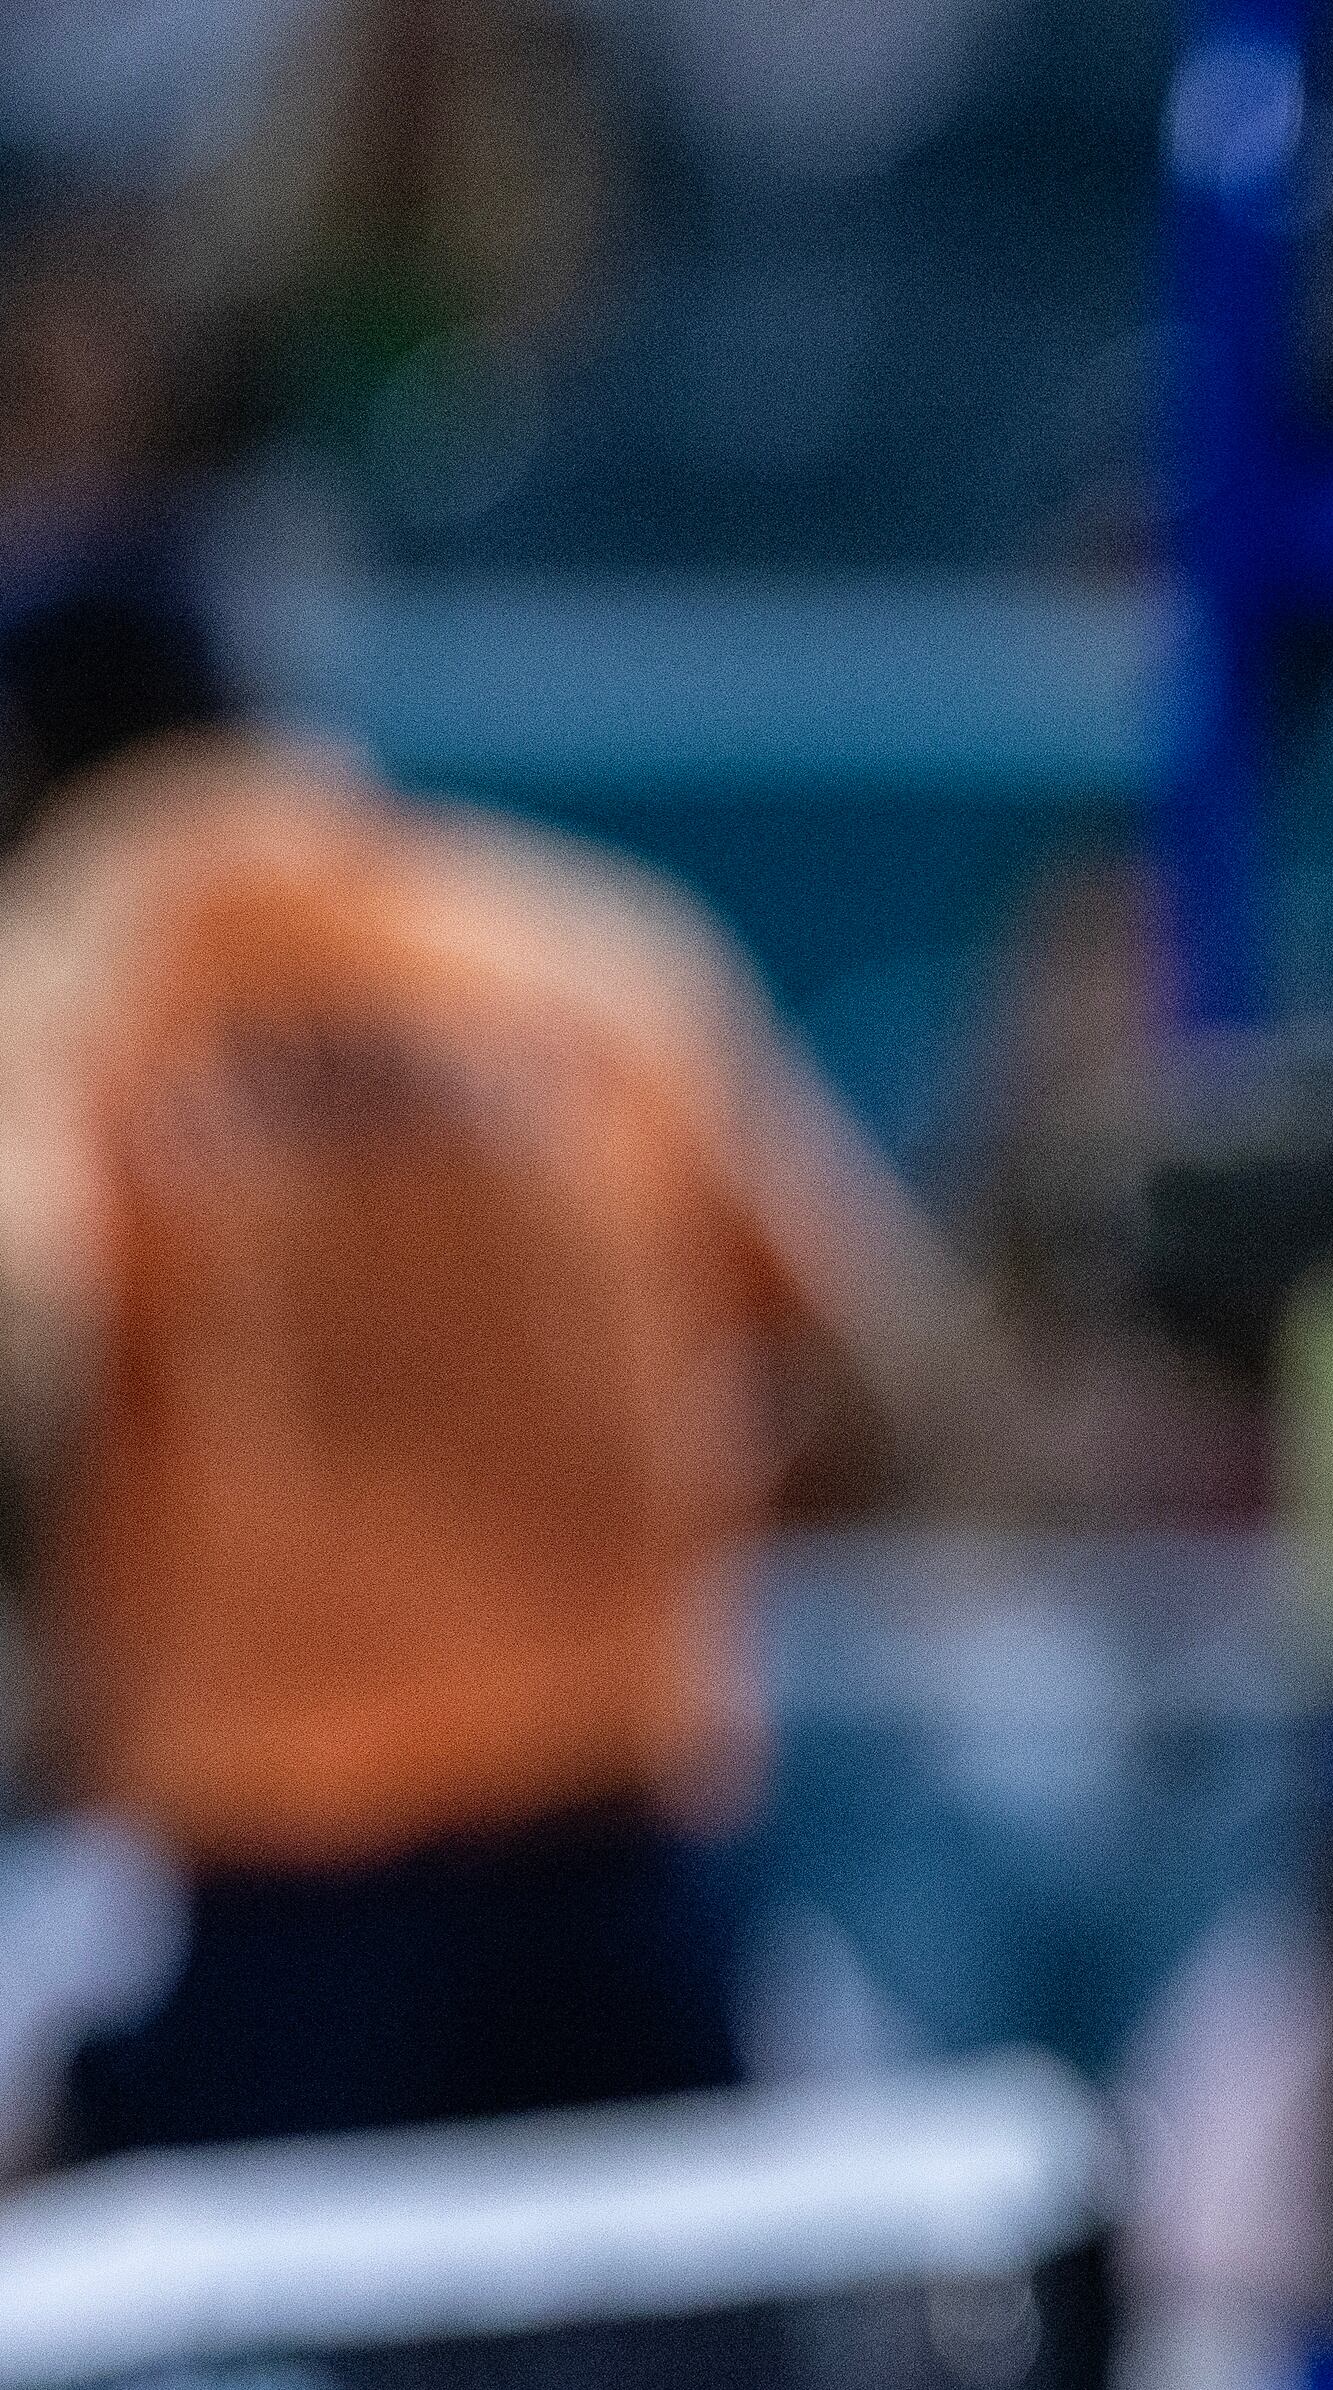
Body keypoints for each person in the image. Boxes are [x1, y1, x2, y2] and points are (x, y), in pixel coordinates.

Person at [0, 583, 947, 2153]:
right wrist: (630, 1556)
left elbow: (28, 1359)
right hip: (630, 1878)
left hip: (281, 1901)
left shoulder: (62, 978)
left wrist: (62, 1664)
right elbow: (877, 1384)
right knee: (650, 2379)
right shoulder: (589, 951)